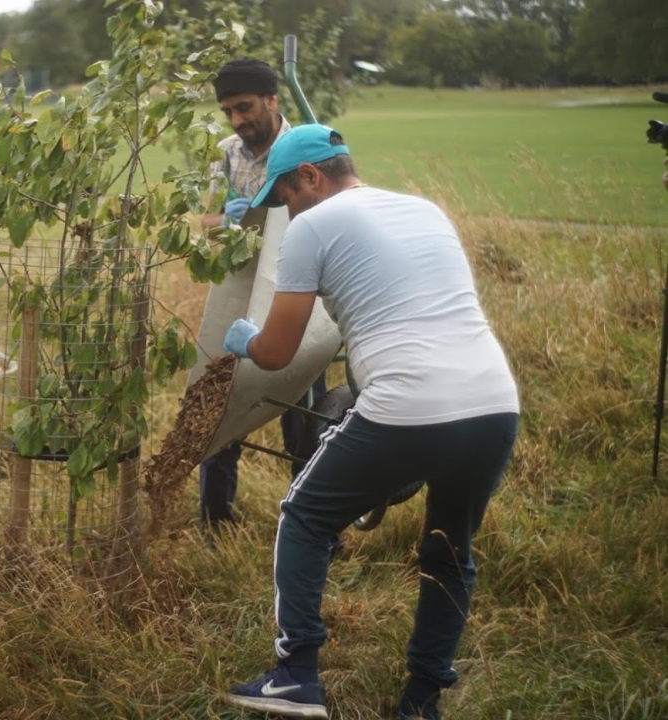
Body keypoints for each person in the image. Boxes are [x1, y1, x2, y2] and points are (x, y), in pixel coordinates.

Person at [219, 124, 520, 720]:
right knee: (447, 550)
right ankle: (421, 700)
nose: (283, 211)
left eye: (281, 197)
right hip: (493, 403)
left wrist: (246, 340)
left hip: (408, 406)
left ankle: (296, 675)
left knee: (304, 517)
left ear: (310, 176)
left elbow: (279, 353)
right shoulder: (425, 208)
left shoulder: (311, 225)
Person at [198, 57, 328, 532]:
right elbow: (205, 221)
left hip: (296, 294)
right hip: (239, 294)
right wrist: (226, 221)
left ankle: (309, 524)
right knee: (219, 407)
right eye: (228, 111)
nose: (238, 120)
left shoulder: (307, 145)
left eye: (246, 107)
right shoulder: (225, 153)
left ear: (273, 100)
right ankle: (215, 525)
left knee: (302, 414)